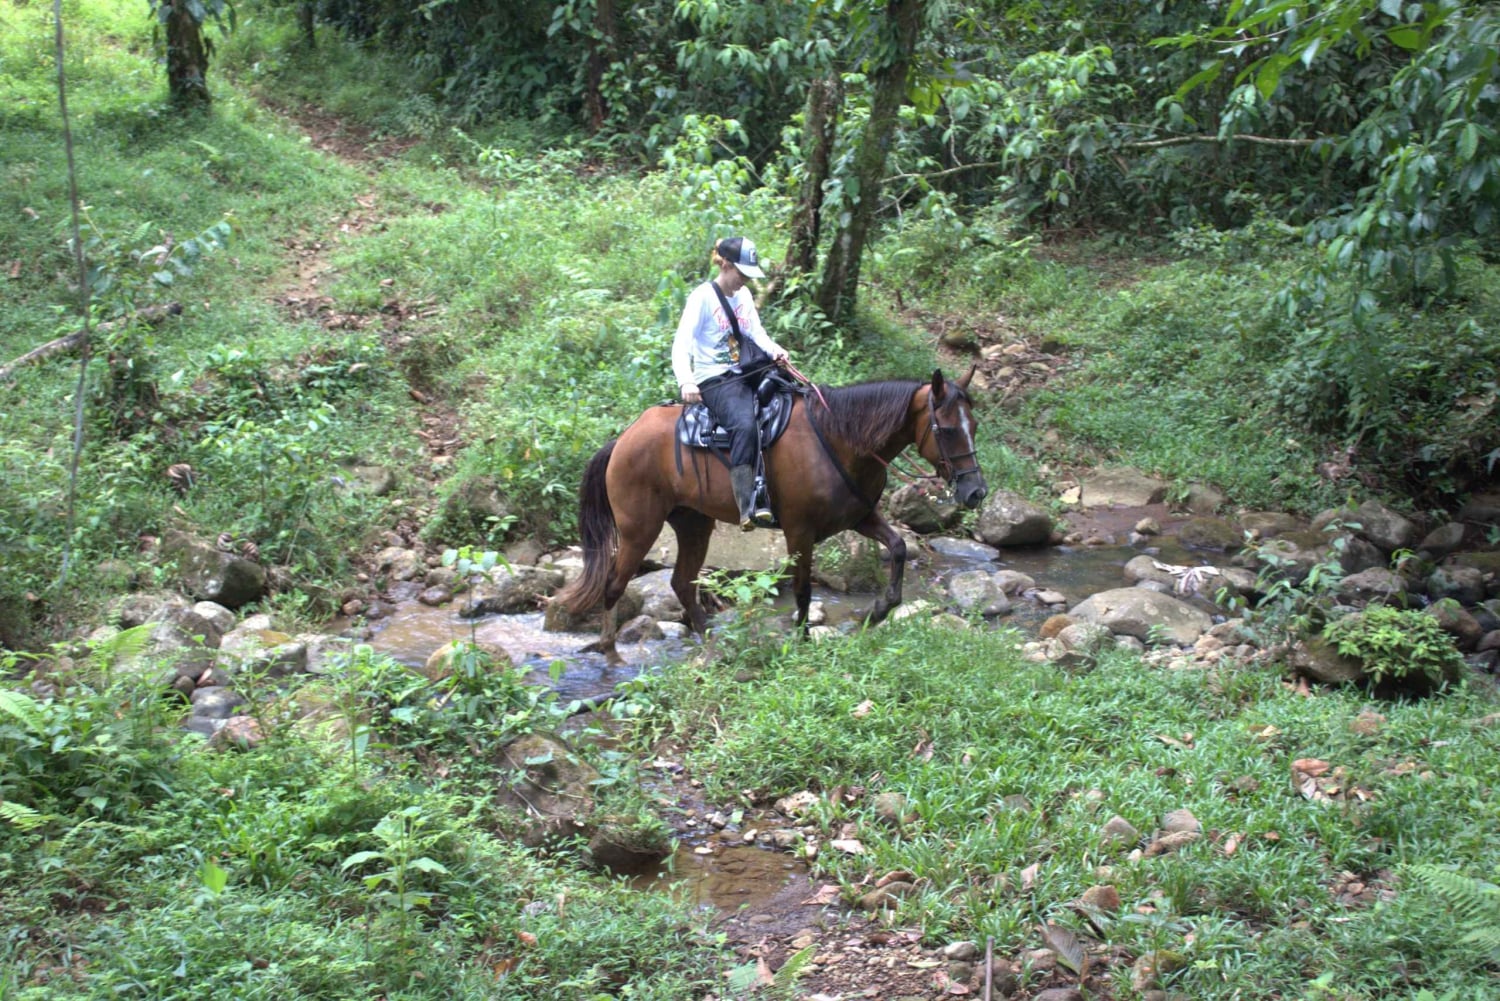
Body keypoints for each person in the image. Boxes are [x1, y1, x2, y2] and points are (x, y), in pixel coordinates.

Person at [671, 236, 791, 531]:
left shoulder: (745, 297)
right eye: (742, 274)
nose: (745, 281)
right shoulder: (702, 298)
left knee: (790, 394)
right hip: (715, 377)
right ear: (725, 264)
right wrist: (686, 380)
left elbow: (756, 334)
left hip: (746, 368)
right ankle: (746, 503)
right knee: (744, 424)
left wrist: (776, 350)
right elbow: (680, 344)